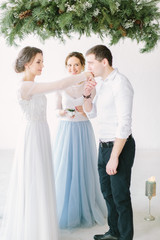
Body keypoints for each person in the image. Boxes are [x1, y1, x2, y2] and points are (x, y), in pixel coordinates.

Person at [0, 46, 92, 240]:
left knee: (42, 176)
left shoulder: (33, 84)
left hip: (41, 132)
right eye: (38, 62)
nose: (42, 65)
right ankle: (33, 229)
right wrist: (84, 74)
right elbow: (60, 84)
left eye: (42, 61)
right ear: (27, 64)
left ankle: (41, 226)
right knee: (34, 177)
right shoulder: (25, 86)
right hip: (32, 135)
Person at [83, 45, 135, 240]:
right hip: (103, 145)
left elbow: (124, 124)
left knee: (120, 196)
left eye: (91, 63)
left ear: (104, 62)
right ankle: (114, 232)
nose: (88, 67)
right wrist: (87, 95)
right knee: (107, 193)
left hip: (119, 147)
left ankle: (125, 237)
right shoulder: (102, 83)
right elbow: (91, 112)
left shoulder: (121, 83)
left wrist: (114, 157)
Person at [53, 52, 106, 229]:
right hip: (66, 129)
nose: (72, 68)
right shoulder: (61, 85)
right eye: (69, 65)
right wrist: (65, 111)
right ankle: (65, 207)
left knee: (83, 166)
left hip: (83, 128)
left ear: (83, 66)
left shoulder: (89, 84)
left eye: (76, 65)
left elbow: (91, 110)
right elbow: (56, 110)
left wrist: (83, 110)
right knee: (65, 166)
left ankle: (85, 206)